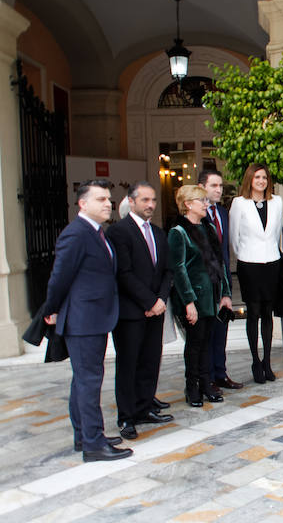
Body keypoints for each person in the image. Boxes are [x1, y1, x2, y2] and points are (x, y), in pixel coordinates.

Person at [43, 179, 133, 462]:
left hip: (94, 318)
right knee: (89, 381)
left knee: (84, 380)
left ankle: (85, 436)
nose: (108, 203)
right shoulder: (77, 233)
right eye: (101, 199)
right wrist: (51, 308)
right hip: (83, 320)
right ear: (83, 204)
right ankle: (94, 445)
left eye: (109, 199)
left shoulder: (96, 232)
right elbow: (59, 277)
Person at [106, 182, 173, 441]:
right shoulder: (118, 232)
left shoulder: (158, 232)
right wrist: (149, 302)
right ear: (131, 201)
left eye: (153, 200)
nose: (150, 205)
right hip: (131, 312)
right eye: (145, 200)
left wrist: (160, 300)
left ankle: (144, 408)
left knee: (150, 361)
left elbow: (167, 270)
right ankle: (126, 415)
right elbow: (124, 273)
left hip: (156, 310)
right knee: (128, 364)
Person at [168, 185, 232, 406]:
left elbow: (219, 262)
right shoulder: (178, 232)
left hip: (211, 297)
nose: (206, 204)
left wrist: (225, 294)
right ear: (188, 204)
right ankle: (192, 386)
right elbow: (179, 270)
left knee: (207, 342)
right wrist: (189, 302)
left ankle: (206, 384)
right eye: (201, 200)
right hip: (194, 300)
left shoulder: (209, 228)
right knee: (195, 345)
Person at [230, 163, 283, 384]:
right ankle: (255, 360)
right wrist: (246, 254)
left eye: (264, 177)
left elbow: (277, 233)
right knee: (253, 313)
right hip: (249, 263)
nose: (261, 181)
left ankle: (267, 362)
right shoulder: (239, 203)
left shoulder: (277, 201)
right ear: (250, 179)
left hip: (272, 262)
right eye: (257, 177)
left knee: (268, 313)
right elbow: (234, 238)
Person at [198, 170, 242, 391]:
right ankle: (206, 378)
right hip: (204, 281)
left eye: (220, 186)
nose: (218, 189)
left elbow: (225, 249)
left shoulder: (223, 213)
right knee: (205, 333)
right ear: (201, 187)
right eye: (213, 185)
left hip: (222, 279)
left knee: (221, 328)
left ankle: (220, 373)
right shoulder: (196, 214)